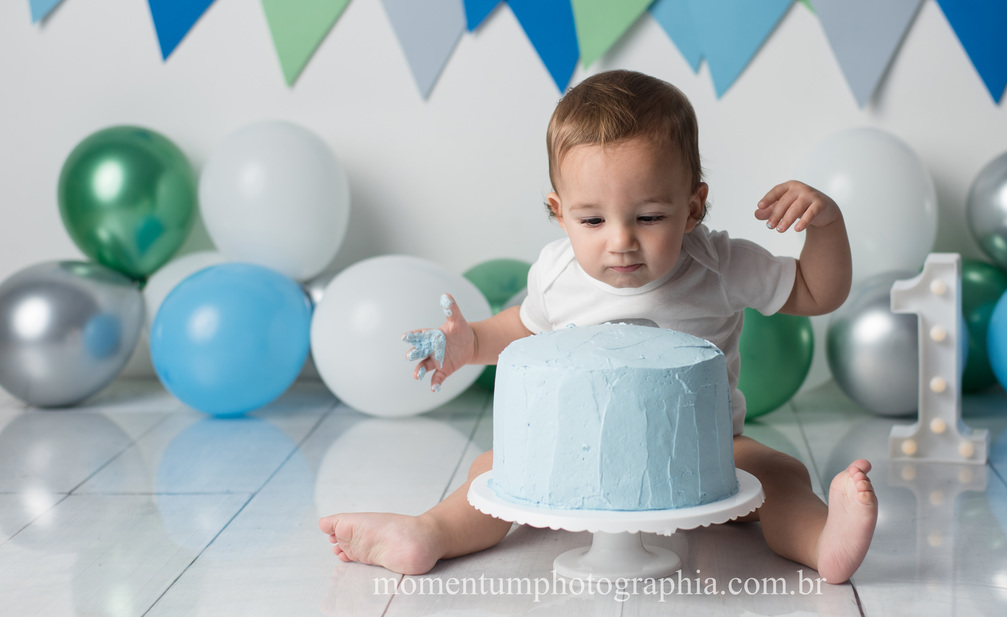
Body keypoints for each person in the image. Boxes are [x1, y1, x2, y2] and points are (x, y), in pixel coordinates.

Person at [319, 70, 877, 584]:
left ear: (693, 207)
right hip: (575, 461)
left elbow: (815, 292)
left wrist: (826, 226)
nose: (620, 240)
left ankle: (819, 541)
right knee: (493, 471)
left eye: (650, 217)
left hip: (707, 456)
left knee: (778, 473)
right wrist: (469, 344)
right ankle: (428, 533)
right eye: (591, 220)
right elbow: (524, 326)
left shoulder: (720, 264)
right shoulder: (558, 272)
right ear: (559, 212)